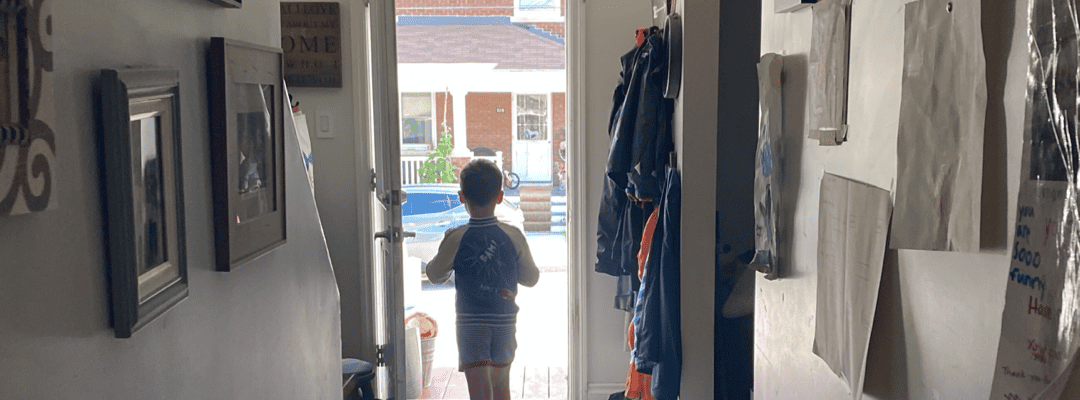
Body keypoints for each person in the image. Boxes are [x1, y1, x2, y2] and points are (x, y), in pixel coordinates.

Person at [425, 159, 540, 400]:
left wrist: (448, 253)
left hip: (470, 323)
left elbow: (435, 275)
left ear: (461, 196)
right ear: (499, 197)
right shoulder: (513, 235)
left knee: (479, 392)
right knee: (501, 387)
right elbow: (531, 278)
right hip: (504, 320)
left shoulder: (456, 237)